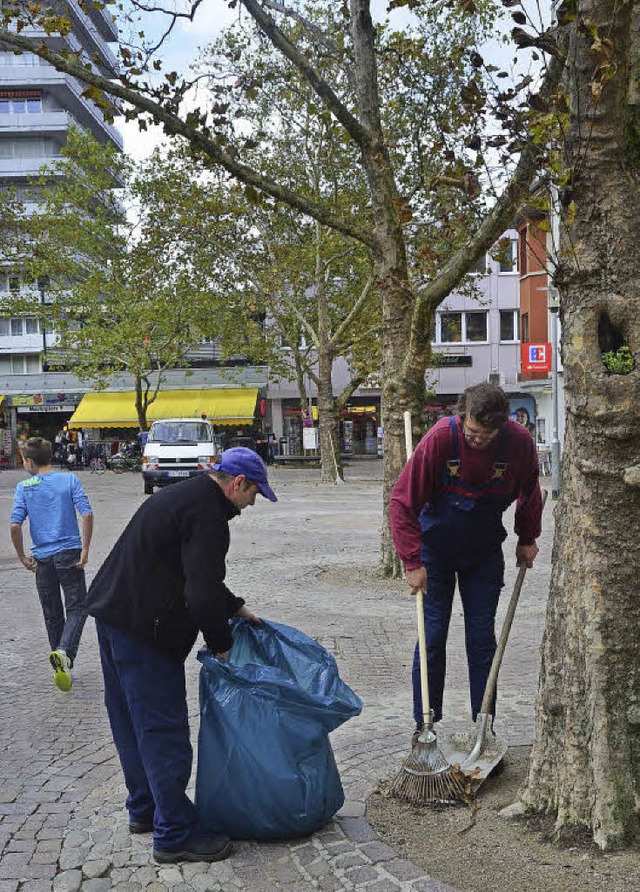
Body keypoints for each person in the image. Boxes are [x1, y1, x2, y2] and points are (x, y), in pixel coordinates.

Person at [85, 447, 277, 864]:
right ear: (237, 483)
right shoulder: (208, 515)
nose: (252, 504)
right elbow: (201, 592)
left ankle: (145, 810)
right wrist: (222, 644)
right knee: (163, 731)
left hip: (113, 613)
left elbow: (189, 570)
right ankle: (174, 833)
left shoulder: (185, 496)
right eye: (255, 494)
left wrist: (236, 605)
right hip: (145, 630)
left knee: (130, 722)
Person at [389, 383, 542, 742]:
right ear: (463, 416)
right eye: (472, 431)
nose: (476, 439)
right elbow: (401, 502)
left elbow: (530, 491)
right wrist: (411, 560)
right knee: (431, 637)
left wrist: (527, 537)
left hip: (483, 552)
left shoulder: (519, 443)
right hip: (435, 551)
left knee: (481, 639)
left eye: (485, 435)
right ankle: (424, 724)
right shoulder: (442, 437)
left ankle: (484, 725)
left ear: (501, 427)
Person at [10, 437, 93, 692]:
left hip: (42, 559)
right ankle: (64, 653)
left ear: (30, 461)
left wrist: (23, 556)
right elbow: (87, 513)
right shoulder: (69, 480)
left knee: (52, 612)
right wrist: (86, 549)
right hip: (69, 553)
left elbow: (15, 525)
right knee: (78, 606)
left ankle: (60, 660)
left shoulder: (25, 487)